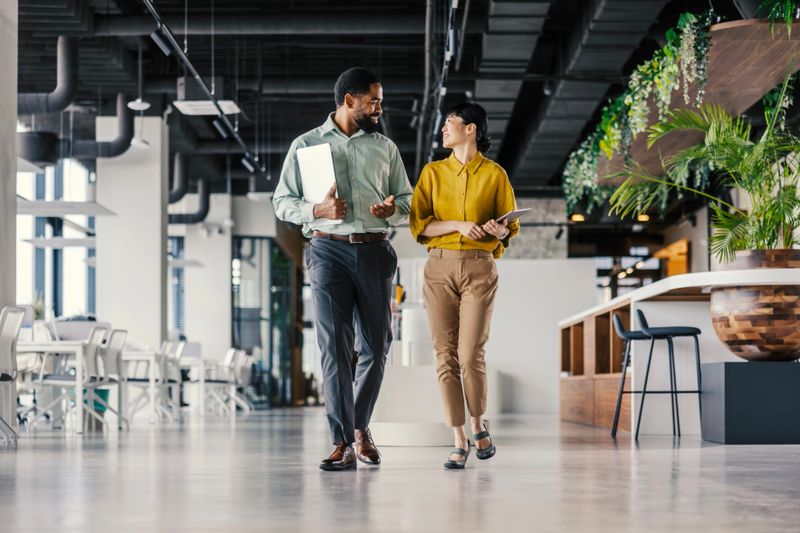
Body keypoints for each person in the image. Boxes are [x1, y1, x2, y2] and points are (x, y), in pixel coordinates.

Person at [273, 67, 413, 471]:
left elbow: (405, 200)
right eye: (374, 101)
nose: (379, 108)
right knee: (334, 350)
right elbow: (282, 202)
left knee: (376, 345)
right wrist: (315, 209)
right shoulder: (306, 145)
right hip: (327, 251)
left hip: (374, 250)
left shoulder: (384, 147)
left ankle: (359, 426)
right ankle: (343, 441)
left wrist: (392, 210)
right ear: (349, 101)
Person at [409, 102, 520, 469]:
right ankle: (458, 438)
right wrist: (458, 224)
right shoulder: (432, 172)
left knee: (471, 355)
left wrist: (498, 229)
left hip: (479, 267)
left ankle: (477, 424)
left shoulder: (496, 175)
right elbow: (420, 226)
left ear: (470, 129)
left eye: (450, 124)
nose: (443, 130)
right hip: (438, 268)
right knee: (445, 357)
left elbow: (509, 228)